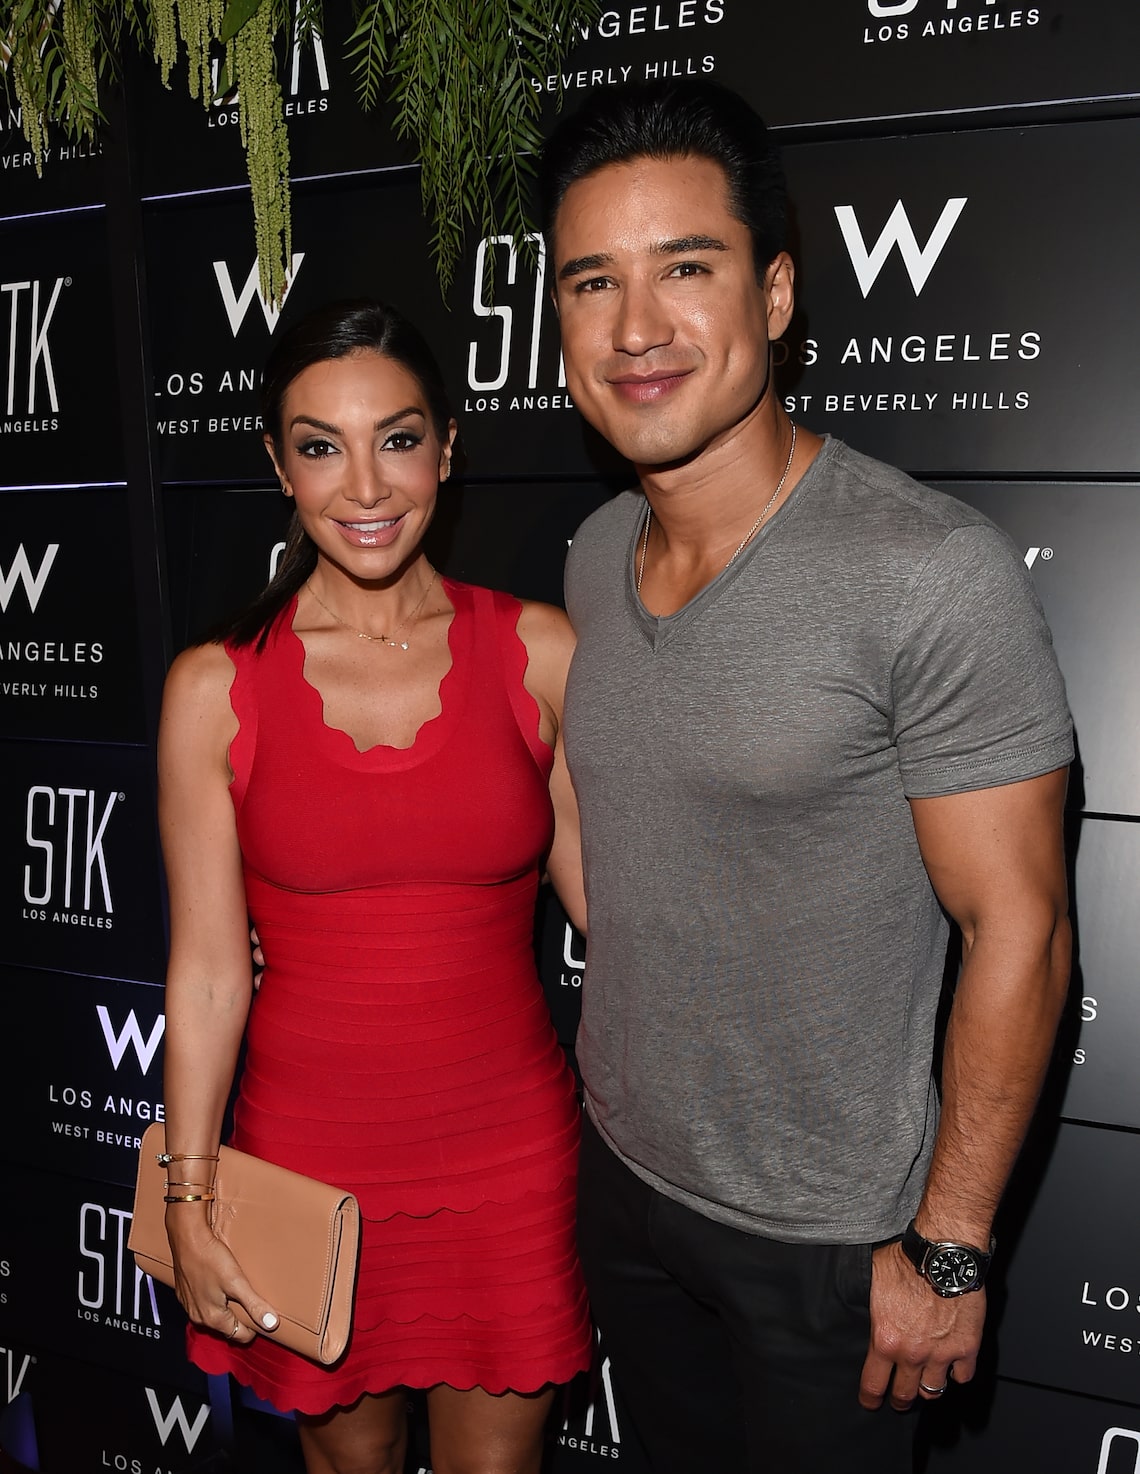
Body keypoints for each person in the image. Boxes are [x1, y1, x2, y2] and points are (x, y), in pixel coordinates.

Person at [538, 80, 1073, 1472]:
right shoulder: (591, 557)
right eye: (592, 282)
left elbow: (1020, 931)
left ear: (774, 295)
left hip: (834, 1250)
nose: (635, 327)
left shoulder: (927, 572)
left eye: (685, 269)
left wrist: (950, 1245)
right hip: (625, 1185)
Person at [157, 299, 591, 1474]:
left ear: (447, 446)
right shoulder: (214, 687)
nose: (364, 485)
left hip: (508, 1163)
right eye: (320, 446)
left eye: (397, 439)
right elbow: (207, 975)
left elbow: (620, 918)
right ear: (278, 464)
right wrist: (190, 1198)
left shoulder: (542, 652)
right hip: (306, 1163)